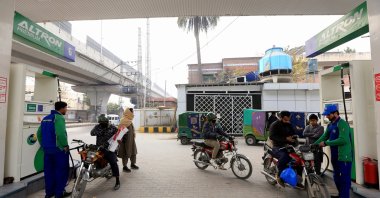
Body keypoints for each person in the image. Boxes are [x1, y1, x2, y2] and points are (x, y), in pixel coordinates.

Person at [314, 105, 352, 198]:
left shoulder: (342, 124)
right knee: (336, 177)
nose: (326, 116)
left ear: (335, 113)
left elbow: (343, 140)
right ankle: (341, 195)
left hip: (344, 157)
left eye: (328, 114)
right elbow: (324, 136)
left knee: (344, 179)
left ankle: (344, 196)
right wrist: (315, 144)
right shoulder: (330, 125)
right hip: (335, 156)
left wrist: (326, 143)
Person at [37, 101, 71, 198]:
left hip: (47, 151)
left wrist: (44, 145)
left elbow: (39, 134)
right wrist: (65, 145)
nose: (66, 110)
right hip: (59, 151)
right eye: (66, 108)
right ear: (62, 108)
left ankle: (49, 194)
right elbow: (60, 134)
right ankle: (59, 194)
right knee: (61, 171)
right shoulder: (59, 118)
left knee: (49, 172)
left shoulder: (46, 118)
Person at [90, 114, 120, 190]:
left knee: (113, 163)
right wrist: (99, 130)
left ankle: (117, 181)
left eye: (103, 123)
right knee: (93, 160)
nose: (101, 124)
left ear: (107, 121)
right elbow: (92, 133)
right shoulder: (98, 127)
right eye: (100, 123)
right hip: (99, 148)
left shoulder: (112, 127)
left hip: (109, 149)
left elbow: (119, 136)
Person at [269, 111, 297, 187]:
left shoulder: (289, 124)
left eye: (289, 116)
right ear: (283, 116)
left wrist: (294, 137)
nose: (289, 117)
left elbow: (293, 133)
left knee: (298, 159)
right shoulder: (275, 124)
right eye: (288, 116)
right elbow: (272, 136)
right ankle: (279, 176)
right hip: (277, 147)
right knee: (285, 157)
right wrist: (286, 139)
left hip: (289, 147)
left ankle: (296, 178)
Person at [118, 108, 139, 172]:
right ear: (128, 113)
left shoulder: (129, 121)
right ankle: (125, 166)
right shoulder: (123, 121)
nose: (133, 114)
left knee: (133, 152)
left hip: (131, 140)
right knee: (125, 153)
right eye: (132, 112)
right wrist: (122, 141)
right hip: (125, 141)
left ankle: (133, 164)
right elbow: (120, 133)